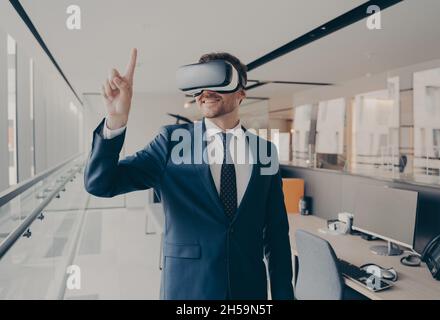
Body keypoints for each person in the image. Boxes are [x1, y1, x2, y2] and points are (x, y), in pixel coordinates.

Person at [84, 48, 294, 300]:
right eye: (200, 83)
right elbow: (100, 184)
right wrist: (115, 120)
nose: (206, 91)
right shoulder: (170, 143)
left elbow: (276, 235)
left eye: (218, 80)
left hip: (248, 289)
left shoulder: (265, 151)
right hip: (189, 287)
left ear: (240, 94)